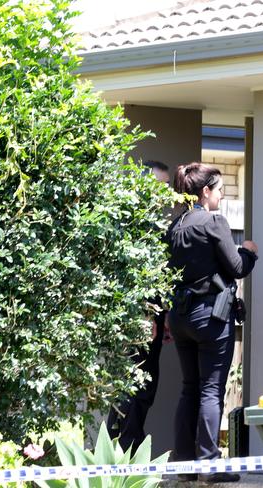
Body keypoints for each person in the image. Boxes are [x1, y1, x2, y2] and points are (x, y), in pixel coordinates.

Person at [166, 162, 258, 483]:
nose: (222, 194)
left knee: (189, 388)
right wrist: (249, 252)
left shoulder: (175, 226)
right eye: (219, 189)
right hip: (212, 317)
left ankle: (184, 465)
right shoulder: (214, 222)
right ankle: (209, 466)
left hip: (180, 317)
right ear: (205, 192)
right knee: (210, 390)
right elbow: (235, 267)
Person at [107, 160, 171, 453]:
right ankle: (124, 447)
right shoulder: (134, 224)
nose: (166, 194)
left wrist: (164, 315)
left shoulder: (152, 223)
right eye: (161, 187)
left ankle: (127, 442)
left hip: (154, 318)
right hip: (138, 321)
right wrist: (145, 314)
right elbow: (133, 275)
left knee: (144, 386)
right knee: (136, 385)